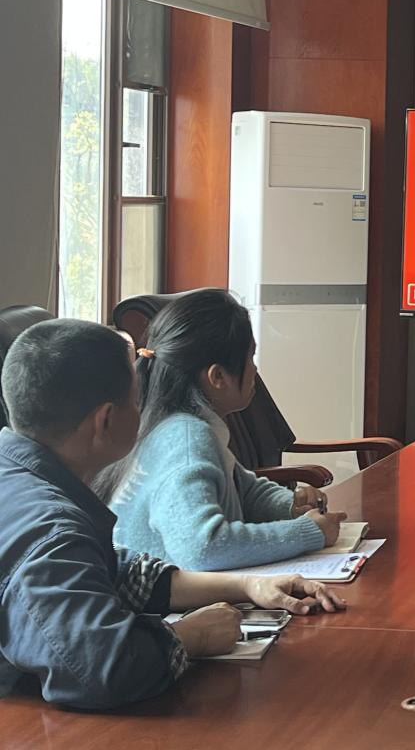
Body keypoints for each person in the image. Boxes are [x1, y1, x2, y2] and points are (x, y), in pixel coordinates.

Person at [0, 319, 346, 709]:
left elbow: (112, 570)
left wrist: (248, 586)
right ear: (106, 420)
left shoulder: (17, 476)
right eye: (136, 399)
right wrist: (191, 636)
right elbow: (104, 670)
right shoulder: (52, 529)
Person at [100, 289, 346, 571]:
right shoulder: (186, 438)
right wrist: (307, 533)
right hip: (175, 596)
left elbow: (242, 488)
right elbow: (204, 547)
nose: (254, 370)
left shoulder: (176, 423)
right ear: (217, 376)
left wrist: (290, 505)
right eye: (250, 359)